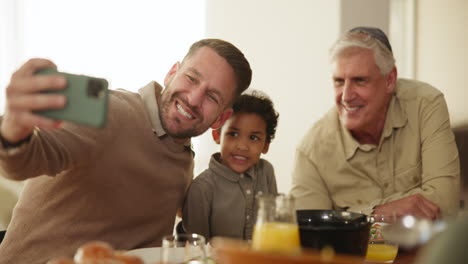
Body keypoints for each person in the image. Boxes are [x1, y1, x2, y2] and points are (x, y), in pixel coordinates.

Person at [0, 38, 252, 264]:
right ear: (171, 73)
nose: (194, 98)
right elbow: (26, 160)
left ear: (221, 118)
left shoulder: (184, 154)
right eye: (191, 78)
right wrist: (13, 127)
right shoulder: (110, 112)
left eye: (212, 97)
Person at [290, 27, 460, 220]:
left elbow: (445, 204)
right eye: (338, 81)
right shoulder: (310, 152)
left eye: (359, 81)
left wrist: (348, 220)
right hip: (355, 252)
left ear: (390, 79)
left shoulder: (425, 104)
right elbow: (312, 234)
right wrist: (377, 215)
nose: (346, 96)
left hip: (427, 250)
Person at [182, 91, 279, 241]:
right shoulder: (202, 188)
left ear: (265, 145)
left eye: (253, 138)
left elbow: (274, 227)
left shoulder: (266, 172)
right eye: (233, 134)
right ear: (217, 136)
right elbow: (195, 250)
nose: (242, 146)